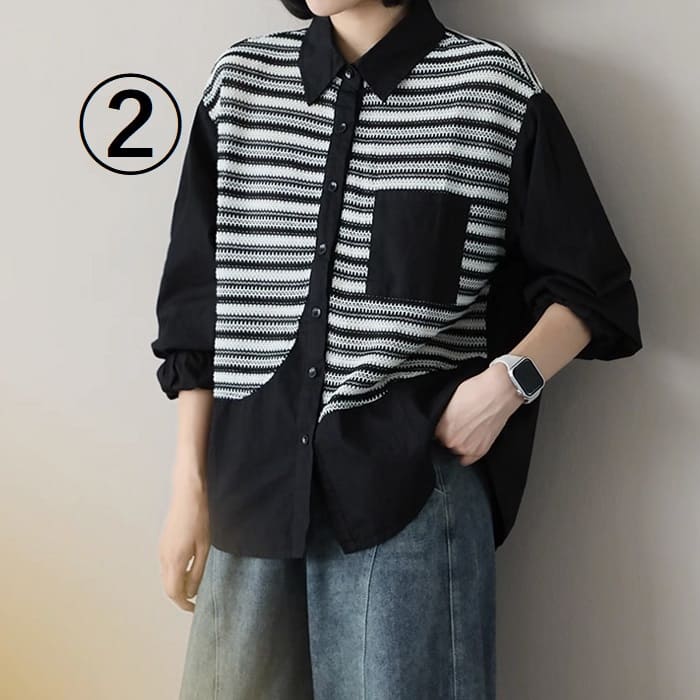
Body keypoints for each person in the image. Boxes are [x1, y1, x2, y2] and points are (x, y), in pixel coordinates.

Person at [150, 0, 643, 697]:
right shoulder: (240, 83)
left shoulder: (492, 88)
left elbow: (593, 288)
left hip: (409, 498)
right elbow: (195, 308)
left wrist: (506, 385)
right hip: (249, 496)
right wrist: (188, 489)